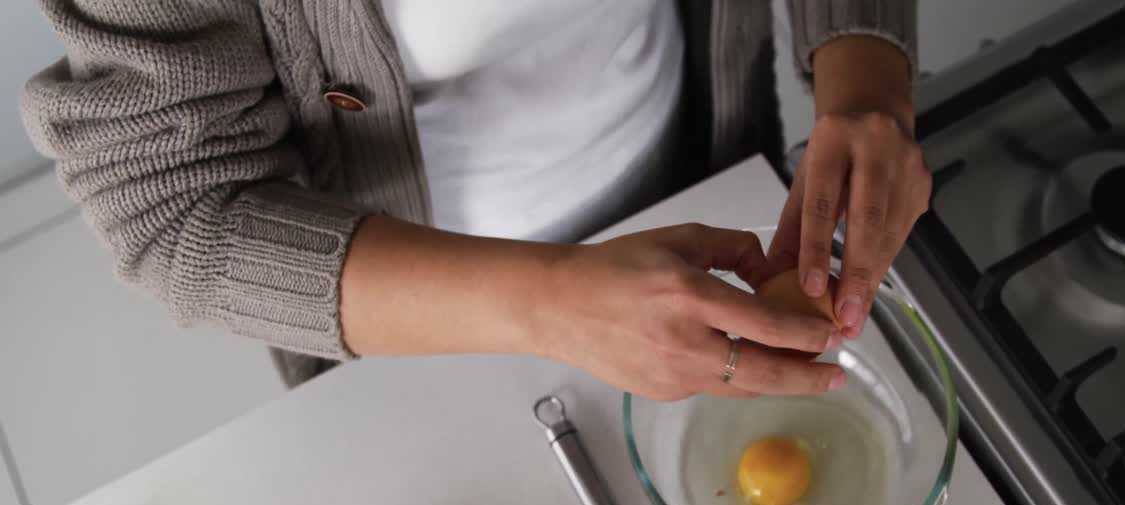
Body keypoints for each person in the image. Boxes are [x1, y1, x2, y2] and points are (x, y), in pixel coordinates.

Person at [21, 1, 930, 400]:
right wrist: (551, 304)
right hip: (429, 326)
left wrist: (865, 73)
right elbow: (171, 207)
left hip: (707, 177)